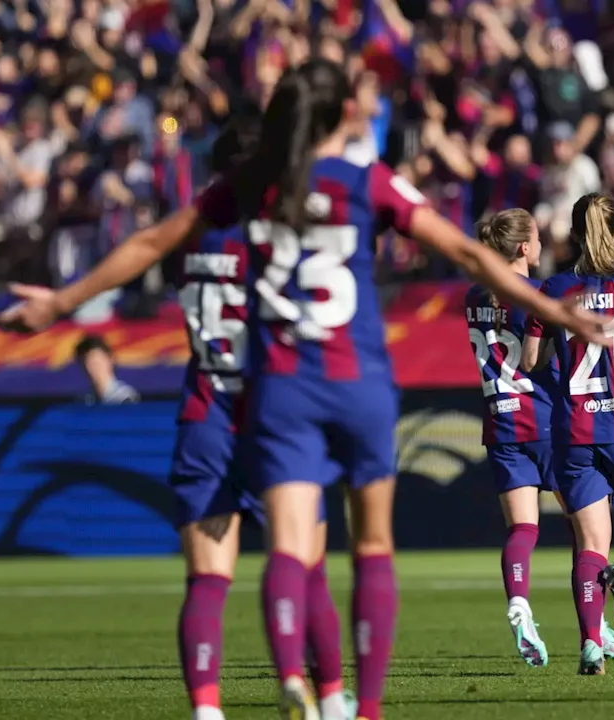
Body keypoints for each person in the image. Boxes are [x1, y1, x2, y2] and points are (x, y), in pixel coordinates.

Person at [0, 59, 609, 720]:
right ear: (346, 114)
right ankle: (362, 707)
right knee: (371, 546)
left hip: (283, 384)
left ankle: (291, 671)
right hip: (360, 382)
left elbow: (149, 240)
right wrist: (559, 311)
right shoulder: (366, 181)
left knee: (287, 549)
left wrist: (61, 302)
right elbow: (465, 253)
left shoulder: (252, 185)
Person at [168, 112, 354, 720]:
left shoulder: (192, 240)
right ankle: (325, 696)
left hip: (204, 414)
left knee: (206, 581)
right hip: (274, 417)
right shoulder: (272, 243)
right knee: (309, 568)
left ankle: (206, 709)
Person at [465, 208, 614, 669]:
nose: (542, 246)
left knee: (523, 529)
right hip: (546, 422)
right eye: (537, 238)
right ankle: (595, 633)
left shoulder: (474, 295)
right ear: (523, 248)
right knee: (590, 531)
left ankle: (519, 604)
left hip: (500, 423)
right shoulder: (538, 294)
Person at [519, 193, 614, 676]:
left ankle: (590, 644)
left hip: (573, 429)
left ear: (573, 232)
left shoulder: (553, 288)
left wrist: (551, 359)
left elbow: (527, 361)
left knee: (588, 543)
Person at [74, 334, 141, 405]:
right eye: (88, 362)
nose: (94, 368)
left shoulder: (125, 397)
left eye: (97, 362)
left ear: (110, 360)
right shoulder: (84, 399)